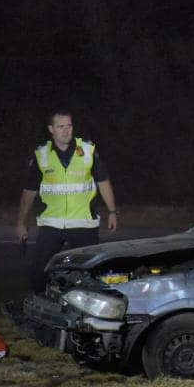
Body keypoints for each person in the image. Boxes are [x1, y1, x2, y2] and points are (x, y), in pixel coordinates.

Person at [16, 110, 118, 292]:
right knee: (39, 271)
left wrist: (112, 211)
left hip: (83, 223)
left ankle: (87, 314)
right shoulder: (42, 155)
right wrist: (21, 223)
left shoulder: (87, 151)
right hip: (51, 223)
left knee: (89, 273)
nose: (65, 130)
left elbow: (103, 181)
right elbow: (29, 192)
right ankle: (42, 309)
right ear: (51, 129)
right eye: (60, 126)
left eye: (69, 126)